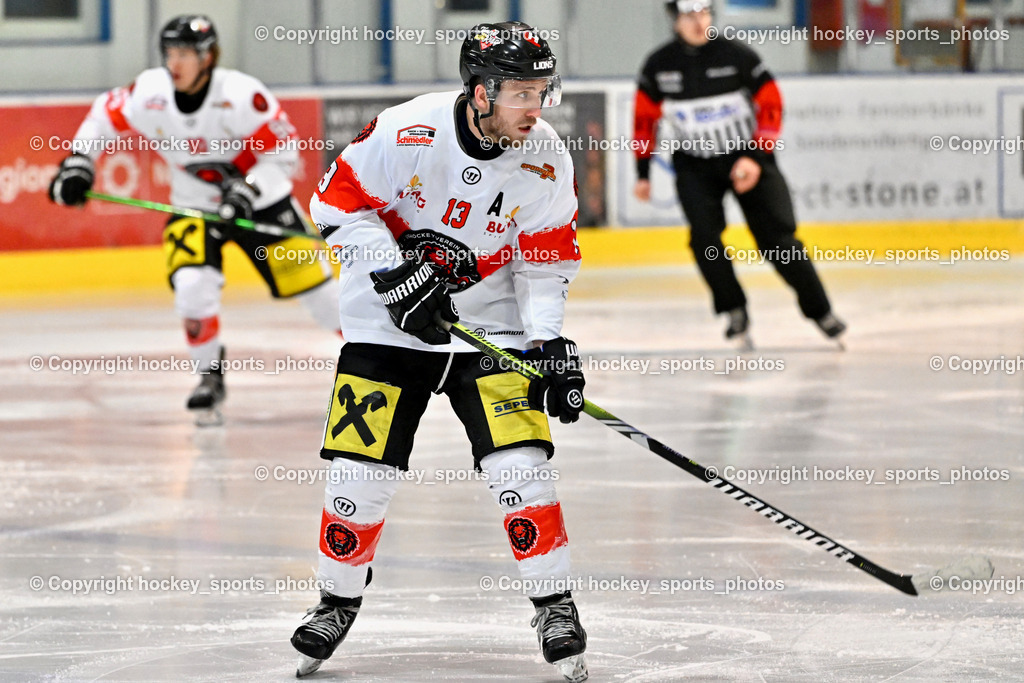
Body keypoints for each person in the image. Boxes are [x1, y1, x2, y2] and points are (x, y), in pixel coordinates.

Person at [289, 21, 589, 683]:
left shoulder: (546, 157)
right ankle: (336, 600)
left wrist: (548, 345)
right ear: (479, 92)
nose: (533, 107)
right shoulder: (406, 131)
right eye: (518, 92)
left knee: (523, 464)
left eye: (541, 91)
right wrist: (394, 274)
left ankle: (554, 602)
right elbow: (333, 202)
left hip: (491, 331)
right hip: (384, 329)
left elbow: (544, 260)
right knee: (357, 473)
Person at [48, 15, 341, 423]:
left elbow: (284, 154)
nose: (175, 63)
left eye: (184, 53)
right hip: (193, 206)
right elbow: (103, 115)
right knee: (191, 288)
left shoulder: (242, 96)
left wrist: (248, 189)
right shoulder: (150, 92)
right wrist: (78, 162)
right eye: (170, 53)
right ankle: (208, 375)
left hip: (263, 206)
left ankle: (380, 359)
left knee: (321, 296)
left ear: (208, 58)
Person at [633, 0, 846, 346]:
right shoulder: (659, 65)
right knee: (704, 240)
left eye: (703, 13)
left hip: (747, 159)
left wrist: (755, 156)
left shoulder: (736, 55)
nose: (698, 21)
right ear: (675, 21)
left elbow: (772, 103)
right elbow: (644, 121)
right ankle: (734, 309)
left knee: (778, 240)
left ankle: (821, 311)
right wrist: (642, 172)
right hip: (695, 163)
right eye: (689, 15)